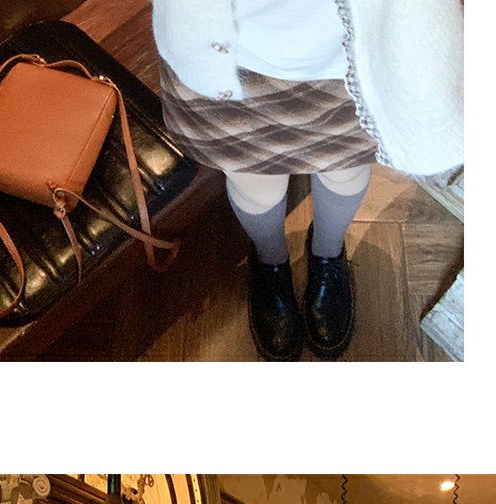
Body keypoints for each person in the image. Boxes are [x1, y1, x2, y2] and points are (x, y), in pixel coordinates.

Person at [149, 0, 463, 360]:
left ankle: (328, 253)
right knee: (255, 185)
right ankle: (270, 262)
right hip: (229, 52)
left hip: (355, 52)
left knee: (345, 171)